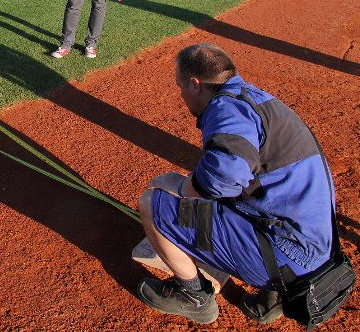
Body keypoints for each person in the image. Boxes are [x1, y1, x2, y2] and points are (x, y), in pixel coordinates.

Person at [136, 43, 335, 325]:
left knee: (152, 204)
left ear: (195, 84)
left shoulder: (225, 108)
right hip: (318, 244)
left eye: (181, 87)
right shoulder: (256, 98)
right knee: (228, 190)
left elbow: (225, 176)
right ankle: (272, 298)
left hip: (291, 258)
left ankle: (193, 296)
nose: (181, 95)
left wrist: (180, 188)